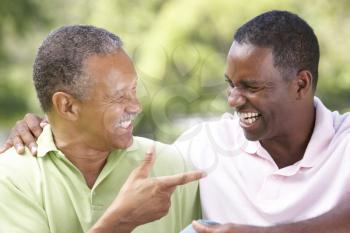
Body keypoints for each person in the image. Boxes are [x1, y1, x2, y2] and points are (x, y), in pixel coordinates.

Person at [3, 10, 350, 233]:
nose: (233, 100)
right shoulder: (199, 152)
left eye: (251, 86)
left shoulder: (345, 142)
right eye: (231, 85)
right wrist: (54, 127)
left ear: (301, 84)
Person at [0, 25, 204, 233]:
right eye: (118, 95)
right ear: (67, 106)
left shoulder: (172, 168)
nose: (136, 106)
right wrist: (120, 222)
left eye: (133, 89)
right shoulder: (11, 177)